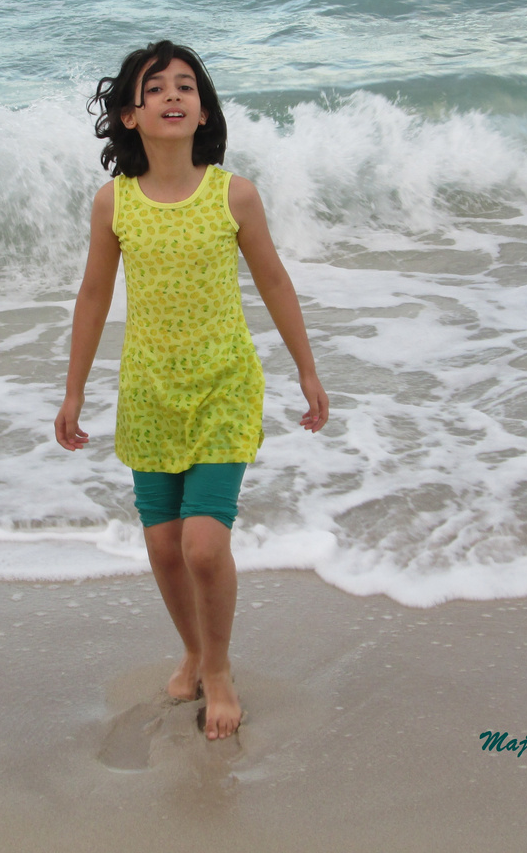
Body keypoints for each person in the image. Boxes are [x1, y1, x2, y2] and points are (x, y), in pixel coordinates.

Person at [54, 40, 328, 741]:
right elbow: (92, 294)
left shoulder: (232, 193)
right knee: (164, 546)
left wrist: (306, 366)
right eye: (154, 88)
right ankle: (194, 650)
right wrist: (74, 391)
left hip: (223, 384)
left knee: (205, 545)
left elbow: (273, 280)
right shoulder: (113, 202)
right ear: (128, 116)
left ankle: (220, 671)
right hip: (148, 391)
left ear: (203, 108)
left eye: (186, 85)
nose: (172, 95)